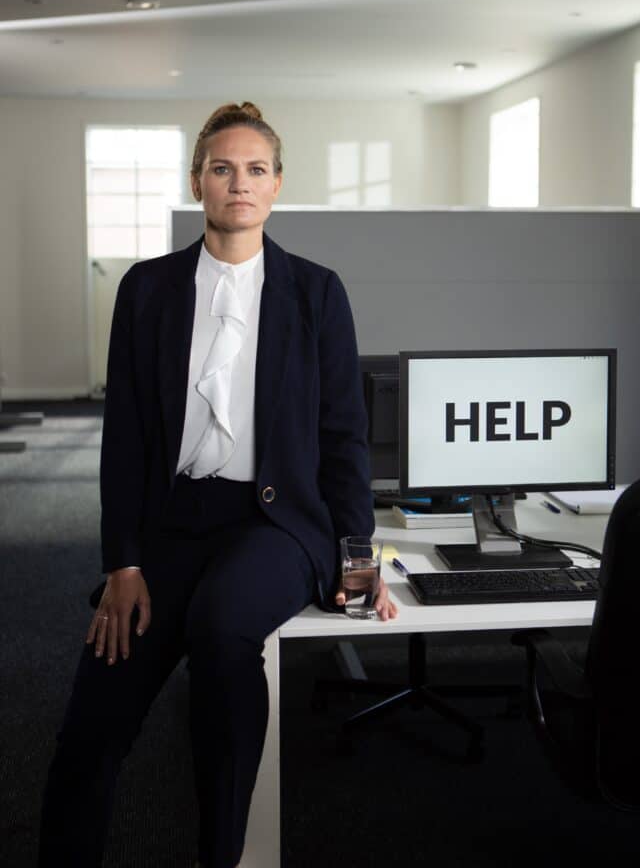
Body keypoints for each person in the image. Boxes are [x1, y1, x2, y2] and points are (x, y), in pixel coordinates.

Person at [38, 102, 398, 868]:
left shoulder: (315, 292)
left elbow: (343, 439)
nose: (240, 182)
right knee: (90, 726)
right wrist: (123, 564)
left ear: (276, 186)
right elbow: (127, 436)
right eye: (222, 168)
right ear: (197, 180)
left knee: (221, 631)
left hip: (273, 525)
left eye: (256, 169)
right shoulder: (147, 289)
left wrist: (355, 557)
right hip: (169, 526)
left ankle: (221, 856)